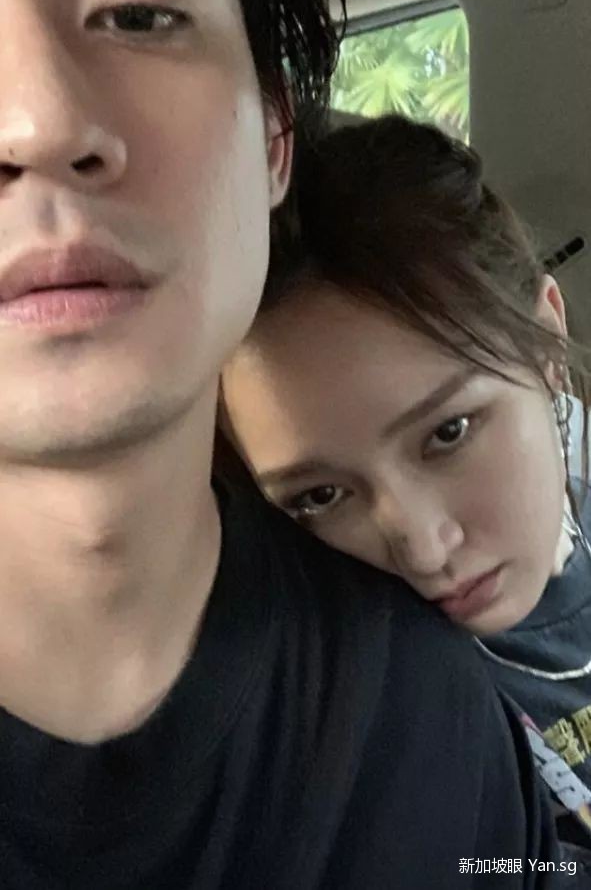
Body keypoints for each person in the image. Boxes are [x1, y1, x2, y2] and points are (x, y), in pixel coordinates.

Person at [0, 0, 564, 887]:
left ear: (273, 134)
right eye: (319, 492)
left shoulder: (426, 712)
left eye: (138, 12)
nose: (37, 124)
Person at [221, 113, 591, 870]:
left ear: (547, 341)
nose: (423, 550)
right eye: (319, 496)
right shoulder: (358, 720)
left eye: (448, 432)